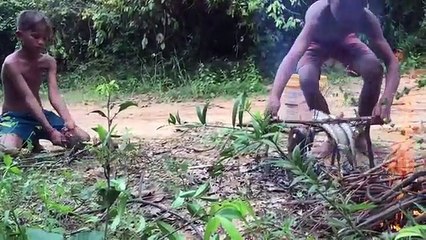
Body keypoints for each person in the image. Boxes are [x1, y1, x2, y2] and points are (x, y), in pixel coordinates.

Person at [265, 0, 400, 157]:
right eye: (342, 7)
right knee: (307, 78)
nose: (347, 15)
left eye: (354, 9)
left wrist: (386, 100)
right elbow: (293, 56)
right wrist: (275, 96)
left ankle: (361, 132)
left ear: (364, 6)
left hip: (347, 43)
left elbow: (392, 63)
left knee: (374, 69)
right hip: (315, 45)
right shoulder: (318, 16)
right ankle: (332, 135)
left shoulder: (367, 20)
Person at [0, 10, 90, 155]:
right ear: (19, 35)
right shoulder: (11, 64)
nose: (41, 42)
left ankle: (32, 137)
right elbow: (28, 98)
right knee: (7, 150)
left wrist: (68, 121)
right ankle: (28, 139)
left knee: (82, 139)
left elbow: (54, 94)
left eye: (45, 38)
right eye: (35, 36)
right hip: (15, 117)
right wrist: (51, 130)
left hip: (39, 115)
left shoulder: (48, 62)